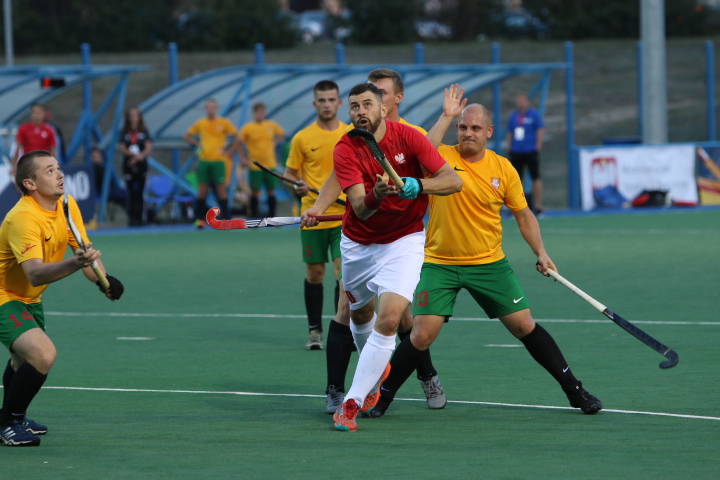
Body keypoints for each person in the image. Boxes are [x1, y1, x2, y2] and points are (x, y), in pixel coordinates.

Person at [370, 91, 601, 420]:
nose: (468, 134)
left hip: (488, 263)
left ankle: (575, 391)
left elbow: (523, 215)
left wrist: (541, 252)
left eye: (476, 128)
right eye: (463, 128)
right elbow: (413, 151)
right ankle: (382, 396)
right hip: (440, 264)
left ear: (489, 132)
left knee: (524, 325)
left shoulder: (503, 169)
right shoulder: (440, 156)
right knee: (421, 334)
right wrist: (447, 116)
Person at [305, 83, 462, 432]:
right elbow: (360, 209)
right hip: (358, 243)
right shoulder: (346, 148)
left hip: (403, 241)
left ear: (383, 108)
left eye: (367, 105)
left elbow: (452, 181)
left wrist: (418, 185)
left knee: (390, 319)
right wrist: (376, 195)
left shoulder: (410, 138)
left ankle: (351, 402)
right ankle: (377, 368)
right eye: (354, 106)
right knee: (359, 314)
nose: (360, 111)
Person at [0, 150, 124, 446]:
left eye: (58, 168)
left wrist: (105, 281)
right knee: (43, 354)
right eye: (50, 170)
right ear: (30, 183)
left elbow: (84, 250)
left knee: (21, 360)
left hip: (29, 297)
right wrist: (76, 263)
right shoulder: (23, 217)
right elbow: (36, 274)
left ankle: (10, 416)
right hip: (4, 295)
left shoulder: (66, 205)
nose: (60, 174)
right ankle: (8, 424)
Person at [283, 80, 347, 352]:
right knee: (315, 273)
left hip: (344, 217)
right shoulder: (302, 138)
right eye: (322, 100)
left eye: (331, 99)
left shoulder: (351, 134)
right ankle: (314, 331)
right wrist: (295, 187)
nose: (327, 104)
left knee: (343, 275)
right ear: (315, 104)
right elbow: (289, 175)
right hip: (312, 216)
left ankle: (341, 332)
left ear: (339, 103)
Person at [183, 99, 237, 228]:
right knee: (202, 191)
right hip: (204, 160)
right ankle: (199, 220)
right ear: (206, 109)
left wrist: (229, 151)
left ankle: (226, 219)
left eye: (213, 107)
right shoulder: (201, 123)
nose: (211, 110)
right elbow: (186, 135)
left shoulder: (223, 123)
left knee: (221, 190)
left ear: (216, 109)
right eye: (209, 107)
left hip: (219, 160)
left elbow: (238, 136)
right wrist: (197, 144)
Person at [236, 102, 285, 218]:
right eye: (258, 112)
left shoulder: (271, 125)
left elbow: (281, 134)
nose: (260, 114)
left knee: (271, 191)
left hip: (270, 164)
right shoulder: (248, 127)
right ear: (254, 113)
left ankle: (273, 216)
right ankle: (254, 216)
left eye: (262, 112)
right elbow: (238, 142)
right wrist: (242, 158)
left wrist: (274, 143)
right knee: (255, 192)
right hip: (255, 165)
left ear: (265, 113)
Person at [505, 93, 545, 215]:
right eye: (519, 100)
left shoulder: (534, 115)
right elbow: (510, 132)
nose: (520, 102)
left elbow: (540, 129)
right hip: (516, 151)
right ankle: (517, 206)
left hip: (531, 150)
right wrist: (509, 146)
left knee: (535, 177)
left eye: (523, 100)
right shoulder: (514, 116)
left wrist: (538, 145)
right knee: (516, 179)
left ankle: (538, 206)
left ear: (528, 101)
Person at [119, 107, 153, 226]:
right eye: (131, 115)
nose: (133, 118)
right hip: (129, 164)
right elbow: (123, 147)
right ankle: (132, 218)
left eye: (135, 115)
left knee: (141, 192)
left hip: (141, 165)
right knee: (131, 192)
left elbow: (148, 146)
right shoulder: (125, 132)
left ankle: (140, 218)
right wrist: (132, 156)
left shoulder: (144, 132)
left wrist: (139, 157)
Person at [11, 104, 57, 177]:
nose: (37, 115)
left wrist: (54, 165)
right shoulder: (24, 128)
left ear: (43, 114)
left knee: (43, 186)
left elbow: (53, 149)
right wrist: (14, 165)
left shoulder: (49, 130)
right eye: (35, 112)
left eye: (39, 112)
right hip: (28, 163)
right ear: (32, 114)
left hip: (44, 164)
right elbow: (17, 148)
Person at [90, 147, 127, 213]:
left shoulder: (104, 166)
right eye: (94, 156)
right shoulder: (92, 169)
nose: (96, 158)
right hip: (103, 192)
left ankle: (136, 216)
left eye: (97, 155)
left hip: (112, 190)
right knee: (125, 195)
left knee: (126, 198)